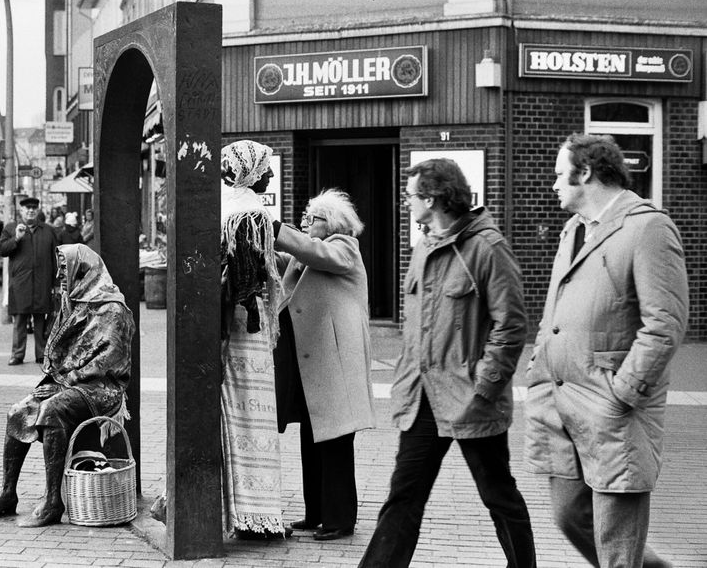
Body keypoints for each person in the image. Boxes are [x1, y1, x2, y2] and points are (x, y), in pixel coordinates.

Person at [359, 158, 535, 567]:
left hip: (472, 398)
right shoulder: (423, 246)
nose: (406, 203)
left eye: (410, 195)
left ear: (433, 198)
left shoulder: (488, 249)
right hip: (423, 399)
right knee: (404, 496)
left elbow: (511, 326)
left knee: (499, 495)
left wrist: (485, 386)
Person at [524, 134, 687, 568]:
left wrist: (624, 393)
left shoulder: (648, 227)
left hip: (613, 406)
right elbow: (555, 311)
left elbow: (665, 323)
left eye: (561, 174)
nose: (553, 184)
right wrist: (540, 360)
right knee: (568, 515)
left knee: (617, 543)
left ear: (587, 174)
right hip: (560, 402)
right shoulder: (574, 229)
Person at [0, 243, 133, 527]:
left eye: (65, 269)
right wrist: (57, 382)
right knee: (18, 411)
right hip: (69, 383)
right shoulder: (72, 302)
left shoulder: (112, 308)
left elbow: (109, 363)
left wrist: (64, 383)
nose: (61, 274)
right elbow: (58, 352)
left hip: (101, 388)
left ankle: (53, 502)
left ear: (82, 270)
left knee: (51, 410)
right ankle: (7, 494)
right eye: (61, 269)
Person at [272, 189, 376, 541]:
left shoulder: (343, 247)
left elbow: (311, 251)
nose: (304, 223)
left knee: (334, 445)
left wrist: (278, 230)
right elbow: (285, 259)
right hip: (314, 366)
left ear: (330, 223)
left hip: (335, 368)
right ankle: (315, 512)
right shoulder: (310, 255)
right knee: (311, 441)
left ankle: (340, 519)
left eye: (311, 218)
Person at [219, 139, 288, 540]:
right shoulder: (249, 212)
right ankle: (254, 513)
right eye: (266, 169)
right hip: (247, 331)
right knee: (250, 419)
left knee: (232, 417)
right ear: (250, 172)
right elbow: (247, 282)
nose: (271, 176)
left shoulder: (223, 205)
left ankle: (243, 511)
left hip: (228, 327)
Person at [0, 197, 59, 366]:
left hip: (42, 283)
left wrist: (56, 284)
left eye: (34, 208)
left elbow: (56, 258)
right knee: (19, 321)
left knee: (41, 320)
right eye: (27, 208)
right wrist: (16, 238)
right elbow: (2, 250)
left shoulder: (48, 231)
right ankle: (17, 354)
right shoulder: (11, 229)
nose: (31, 211)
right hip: (21, 284)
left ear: (38, 211)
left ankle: (41, 354)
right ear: (22, 211)